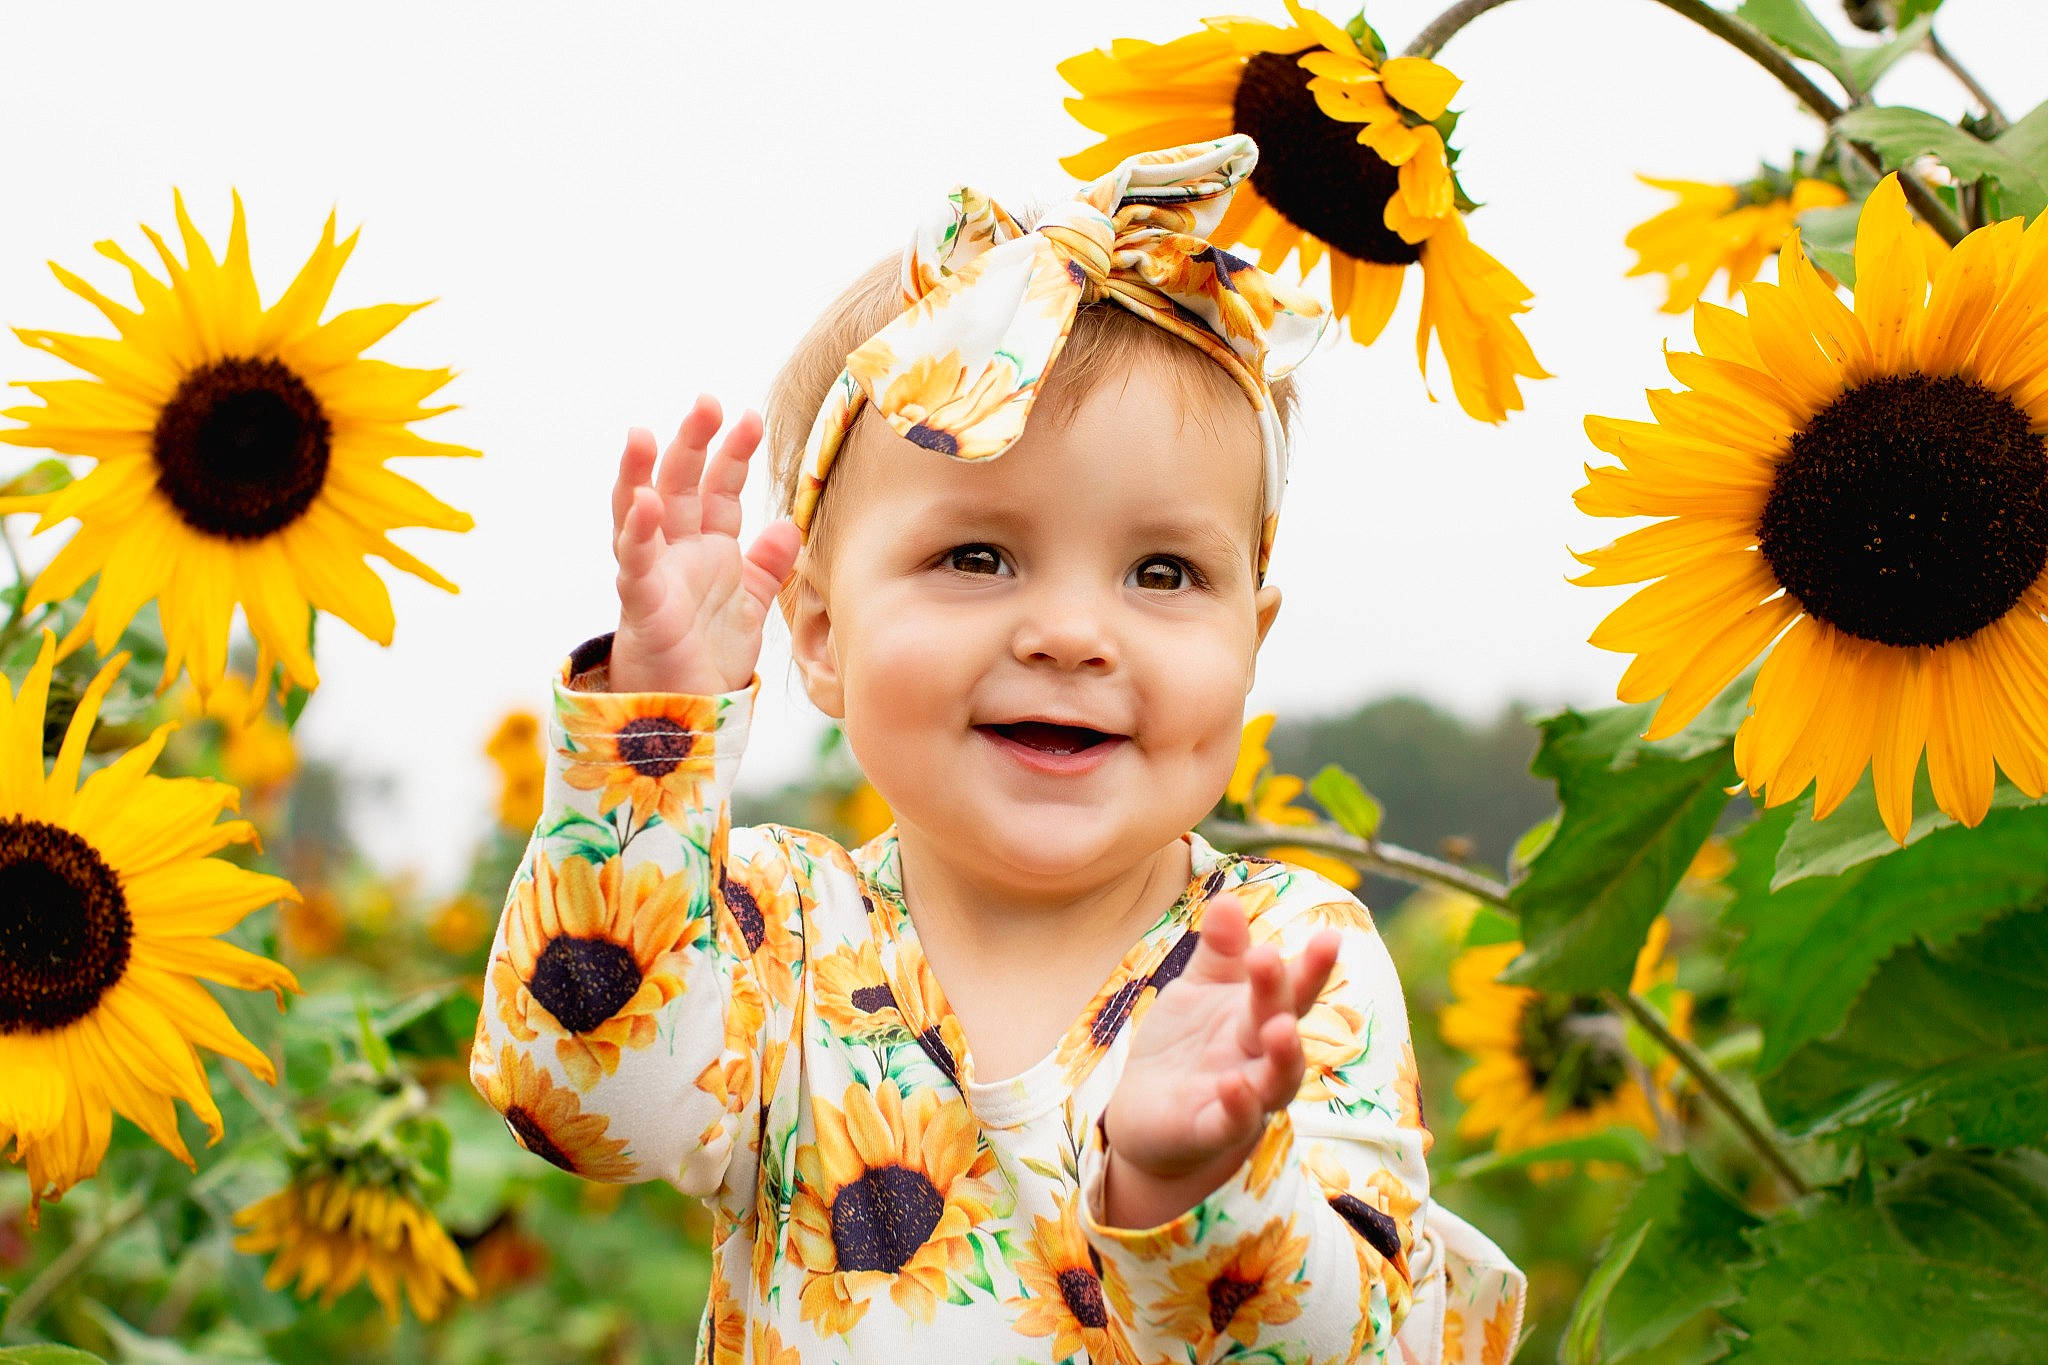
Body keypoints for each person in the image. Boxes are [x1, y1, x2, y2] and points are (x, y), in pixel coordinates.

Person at [470, 134, 1525, 1363]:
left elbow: (1363, 1345)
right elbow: (588, 1108)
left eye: (1162, 571)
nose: (1073, 633)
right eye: (977, 557)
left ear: (1249, 643)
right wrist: (647, 758)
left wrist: (1202, 1187)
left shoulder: (1284, 963)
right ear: (816, 629)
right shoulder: (771, 930)